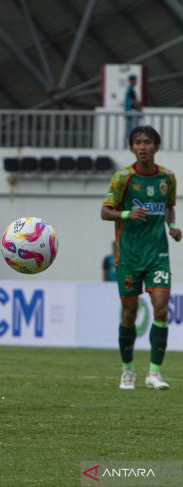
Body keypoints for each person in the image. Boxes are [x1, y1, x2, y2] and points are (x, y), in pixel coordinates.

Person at [101, 125, 181, 391]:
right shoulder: (123, 178)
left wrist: (172, 227)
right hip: (129, 255)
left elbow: (169, 206)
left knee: (160, 308)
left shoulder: (168, 177)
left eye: (147, 142)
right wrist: (127, 215)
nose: (143, 146)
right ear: (131, 148)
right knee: (129, 312)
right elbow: (105, 212)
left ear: (157, 147)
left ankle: (154, 373)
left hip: (157, 254)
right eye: (138, 142)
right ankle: (127, 372)